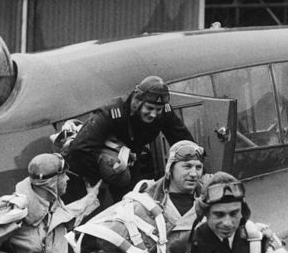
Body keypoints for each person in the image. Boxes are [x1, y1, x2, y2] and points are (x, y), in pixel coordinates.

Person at [64, 75, 194, 202]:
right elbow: (79, 149)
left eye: (158, 109)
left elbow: (183, 141)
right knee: (89, 211)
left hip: (128, 163)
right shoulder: (112, 112)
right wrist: (100, 176)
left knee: (133, 203)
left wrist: (197, 169)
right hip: (87, 165)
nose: (153, 114)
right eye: (149, 108)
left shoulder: (164, 111)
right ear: (137, 101)